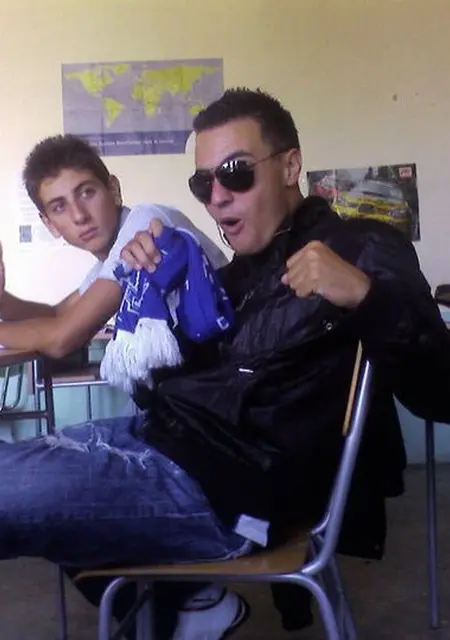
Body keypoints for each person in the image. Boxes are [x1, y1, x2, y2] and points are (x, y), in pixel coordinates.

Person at [0, 88, 449, 640]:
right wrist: (154, 306)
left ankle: (183, 609)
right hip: (164, 444)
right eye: (202, 183)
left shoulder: (363, 247)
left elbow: (440, 392)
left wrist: (365, 295)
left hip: (227, 491)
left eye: (236, 173)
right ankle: (190, 610)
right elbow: (186, 387)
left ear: (290, 166)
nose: (216, 199)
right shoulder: (237, 275)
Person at [0, 134, 227, 354]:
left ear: (113, 189)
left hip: (234, 364)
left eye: (86, 193)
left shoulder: (145, 222)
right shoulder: (106, 265)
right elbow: (59, 315)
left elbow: (63, 337)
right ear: (50, 224)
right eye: (59, 207)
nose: (79, 215)